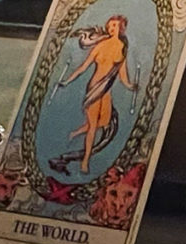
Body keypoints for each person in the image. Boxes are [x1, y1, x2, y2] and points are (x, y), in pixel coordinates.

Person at [54, 12, 137, 174]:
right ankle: (85, 161)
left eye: (115, 25)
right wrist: (67, 81)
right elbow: (83, 67)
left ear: (121, 28)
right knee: (93, 126)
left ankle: (76, 132)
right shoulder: (100, 45)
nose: (111, 28)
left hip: (106, 90)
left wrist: (129, 85)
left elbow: (122, 72)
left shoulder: (122, 48)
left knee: (104, 122)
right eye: (110, 25)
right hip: (94, 88)